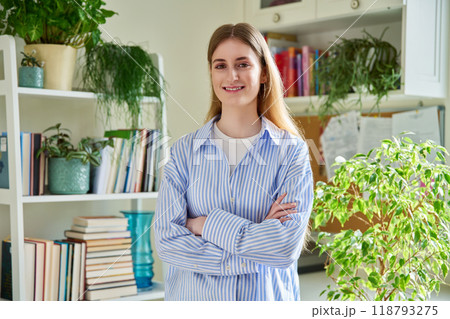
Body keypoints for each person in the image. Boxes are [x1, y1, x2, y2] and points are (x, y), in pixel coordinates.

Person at [154, 23, 313, 301]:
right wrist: (255, 245)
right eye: (220, 66)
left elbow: (284, 248)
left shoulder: (292, 152)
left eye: (242, 64)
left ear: (263, 72)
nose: (232, 75)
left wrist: (203, 225)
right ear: (211, 72)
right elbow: (168, 243)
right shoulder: (183, 152)